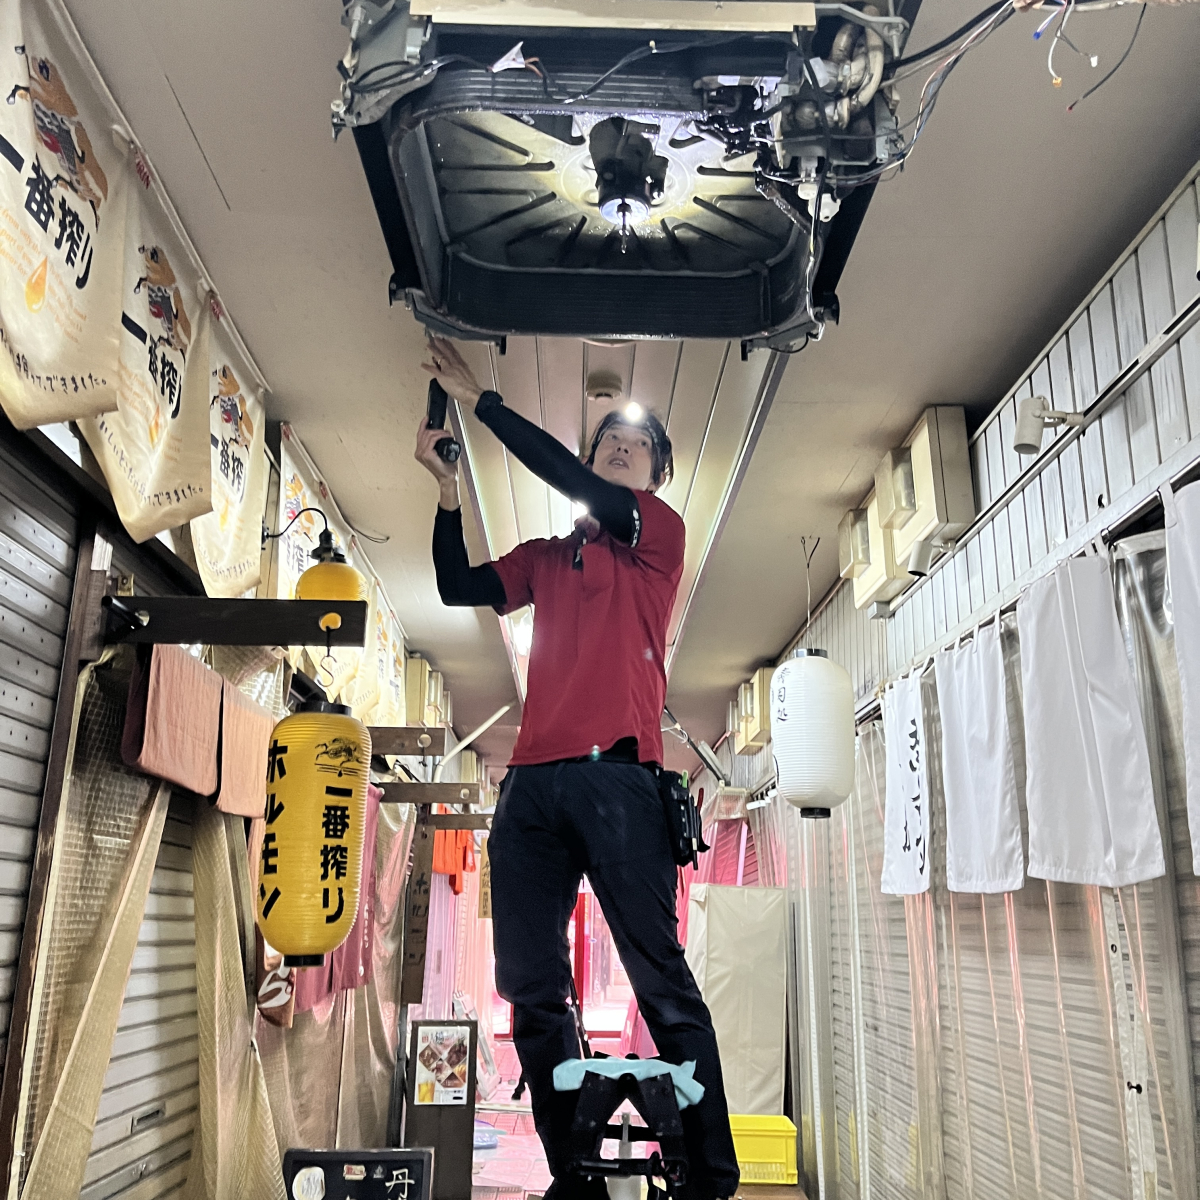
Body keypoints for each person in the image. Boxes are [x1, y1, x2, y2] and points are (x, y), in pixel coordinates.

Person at [416, 336, 739, 1200]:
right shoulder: (545, 558)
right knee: (529, 987)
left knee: (660, 981)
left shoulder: (657, 538)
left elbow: (572, 478)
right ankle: (576, 1178)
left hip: (621, 780)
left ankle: (711, 1179)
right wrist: (447, 492)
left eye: (638, 445)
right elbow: (456, 585)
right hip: (531, 785)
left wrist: (484, 403)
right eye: (608, 441)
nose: (620, 447)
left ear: (654, 478)